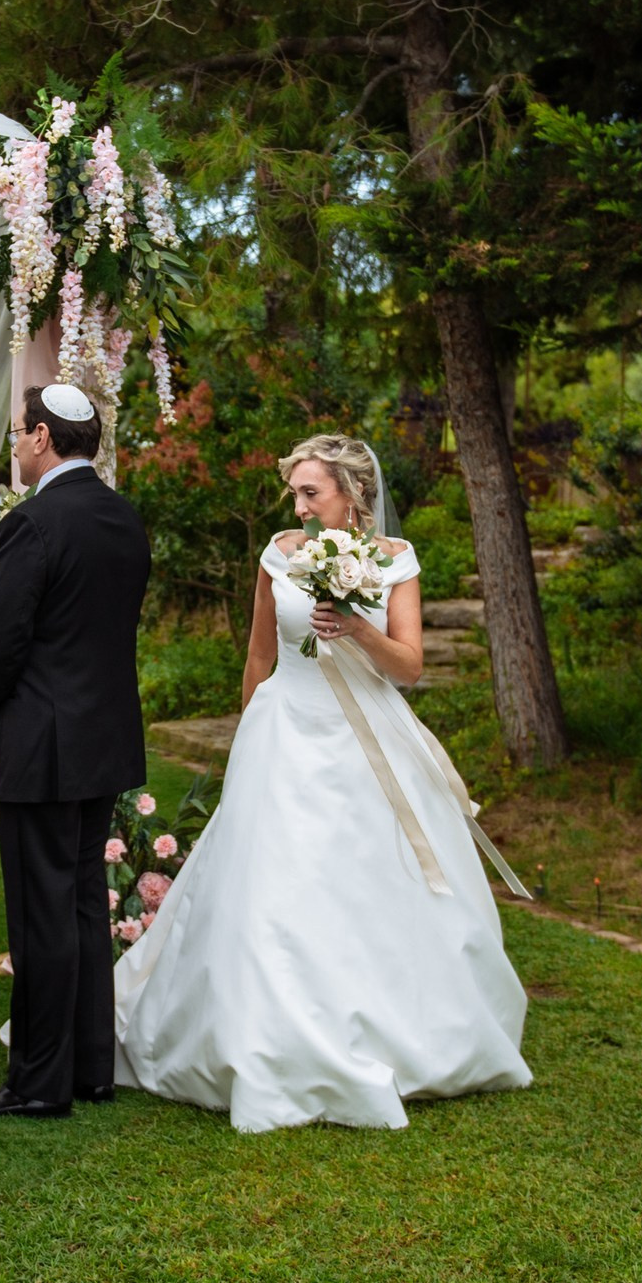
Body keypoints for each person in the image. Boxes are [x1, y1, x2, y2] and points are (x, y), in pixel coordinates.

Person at [112, 433, 530, 1131]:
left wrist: (354, 629)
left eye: (312, 491)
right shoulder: (279, 551)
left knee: (370, 884)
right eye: (296, 491)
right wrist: (248, 736)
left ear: (352, 494)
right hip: (286, 730)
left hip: (366, 736)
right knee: (274, 890)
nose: (298, 504)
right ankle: (263, 1038)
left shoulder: (394, 560)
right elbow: (258, 654)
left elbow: (409, 666)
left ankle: (393, 1031)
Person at [0, 383, 152, 1118]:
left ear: (43, 436)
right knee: (79, 908)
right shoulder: (123, 518)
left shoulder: (32, 523)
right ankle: (90, 1068)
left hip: (40, 743)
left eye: (19, 431)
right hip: (102, 739)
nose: (16, 444)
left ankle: (36, 1082)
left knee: (41, 915)